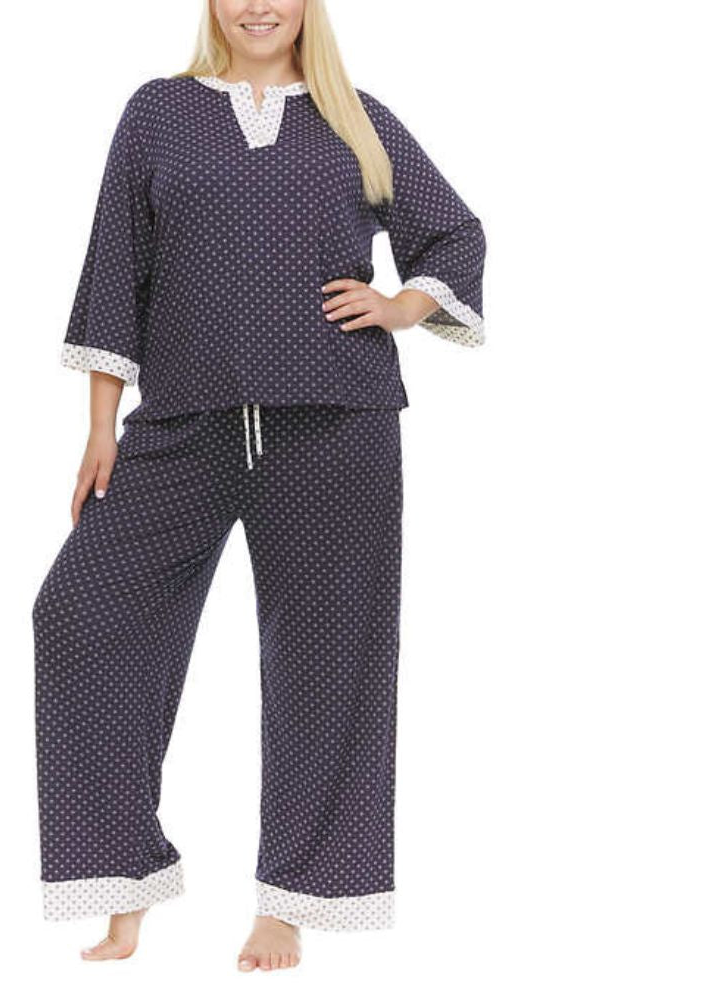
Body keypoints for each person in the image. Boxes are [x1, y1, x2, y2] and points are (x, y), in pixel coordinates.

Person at [33, 0, 486, 972]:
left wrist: (400, 305)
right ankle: (121, 876)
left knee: (328, 660)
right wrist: (100, 427)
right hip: (182, 423)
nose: (257, 6)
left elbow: (452, 234)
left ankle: (290, 903)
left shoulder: (355, 117)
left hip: (336, 421)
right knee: (77, 613)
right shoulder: (159, 112)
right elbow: (115, 265)